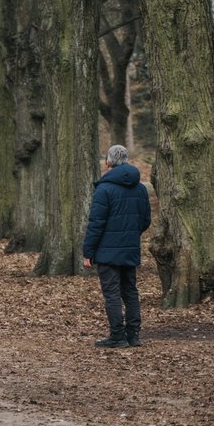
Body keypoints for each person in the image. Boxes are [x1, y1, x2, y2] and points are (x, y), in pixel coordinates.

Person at [82, 145, 151, 348]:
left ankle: (117, 336)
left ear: (108, 162)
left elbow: (96, 224)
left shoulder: (104, 189)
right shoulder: (140, 188)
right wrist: (130, 235)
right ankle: (133, 335)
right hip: (130, 248)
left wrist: (88, 252)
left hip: (107, 251)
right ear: (126, 160)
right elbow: (145, 220)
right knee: (130, 291)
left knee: (112, 293)